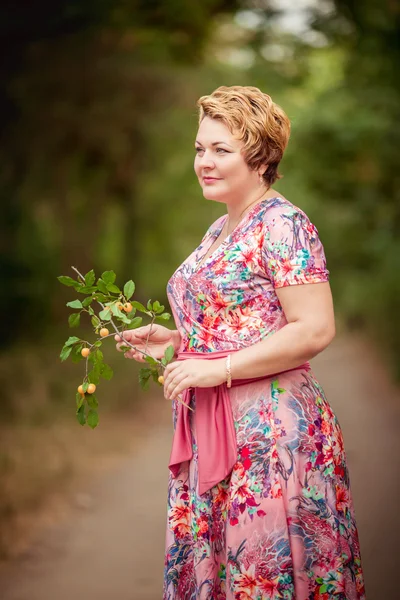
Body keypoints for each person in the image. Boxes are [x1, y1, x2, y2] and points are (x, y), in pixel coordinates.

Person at [115, 86, 365, 600]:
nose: (203, 162)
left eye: (221, 150)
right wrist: (175, 343)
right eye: (200, 148)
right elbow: (242, 323)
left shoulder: (284, 225)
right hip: (211, 431)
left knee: (266, 573)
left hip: (270, 438)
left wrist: (218, 368)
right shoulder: (218, 230)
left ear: (261, 157)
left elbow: (314, 328)